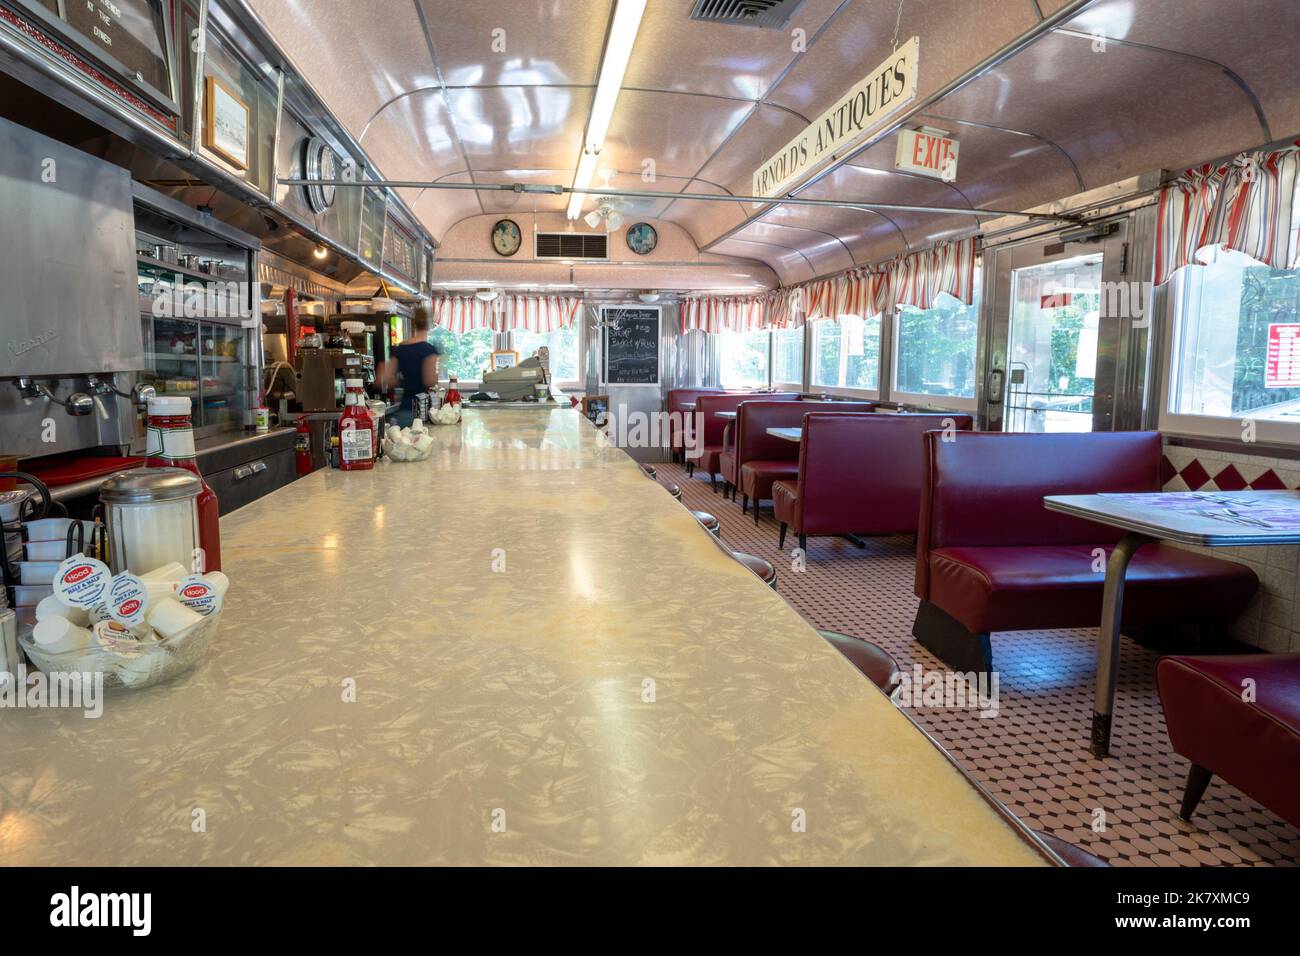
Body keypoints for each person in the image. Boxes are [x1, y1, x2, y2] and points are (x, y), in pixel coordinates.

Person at [380, 307, 442, 427]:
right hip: (421, 411)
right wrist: (436, 376)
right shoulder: (428, 349)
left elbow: (385, 379)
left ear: (413, 324)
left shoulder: (400, 348)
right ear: (429, 325)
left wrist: (403, 380)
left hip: (404, 410)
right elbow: (429, 381)